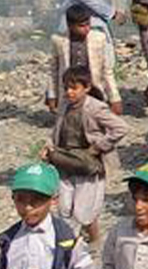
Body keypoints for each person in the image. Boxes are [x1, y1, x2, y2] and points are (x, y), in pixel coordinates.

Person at [43, 65, 127, 245]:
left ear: (86, 87)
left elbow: (120, 128)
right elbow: (57, 129)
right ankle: (72, 244)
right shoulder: (65, 104)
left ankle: (84, 243)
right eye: (66, 88)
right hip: (64, 161)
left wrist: (98, 147)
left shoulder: (95, 108)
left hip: (88, 165)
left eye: (74, 88)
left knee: (82, 211)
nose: (69, 92)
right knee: (64, 208)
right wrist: (48, 147)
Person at [48, 4, 121, 117]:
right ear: (70, 26)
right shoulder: (59, 41)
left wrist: (114, 98)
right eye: (82, 26)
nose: (87, 28)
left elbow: (106, 71)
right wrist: (52, 95)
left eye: (88, 24)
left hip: (93, 90)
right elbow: (54, 71)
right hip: (71, 93)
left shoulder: (98, 38)